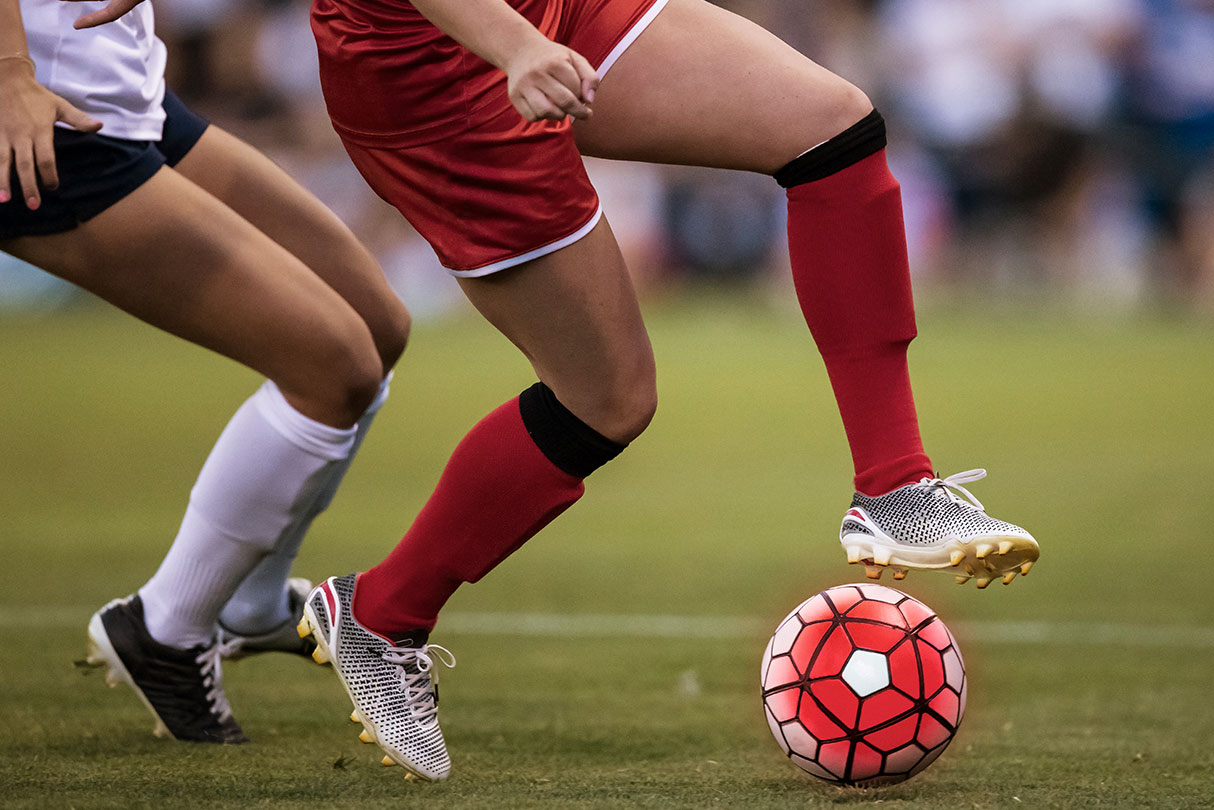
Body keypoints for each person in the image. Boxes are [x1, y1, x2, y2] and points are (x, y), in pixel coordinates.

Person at [281, 0, 1038, 781]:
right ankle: (379, 614)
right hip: (433, 66)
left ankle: (896, 487)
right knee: (606, 399)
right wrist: (516, 47)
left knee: (829, 127)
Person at [1, 0, 409, 744]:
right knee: (334, 368)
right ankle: (166, 629)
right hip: (40, 118)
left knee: (376, 326)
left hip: (122, 91)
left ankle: (251, 607)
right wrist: (8, 72)